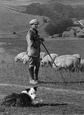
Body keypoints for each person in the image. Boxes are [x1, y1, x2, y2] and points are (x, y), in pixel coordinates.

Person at [26, 19, 44, 84]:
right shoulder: (30, 33)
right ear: (31, 25)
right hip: (32, 52)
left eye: (37, 24)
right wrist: (39, 42)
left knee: (37, 66)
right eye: (35, 24)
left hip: (37, 52)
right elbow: (32, 44)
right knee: (31, 65)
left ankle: (36, 79)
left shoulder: (35, 32)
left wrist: (39, 39)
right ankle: (32, 79)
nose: (36, 26)